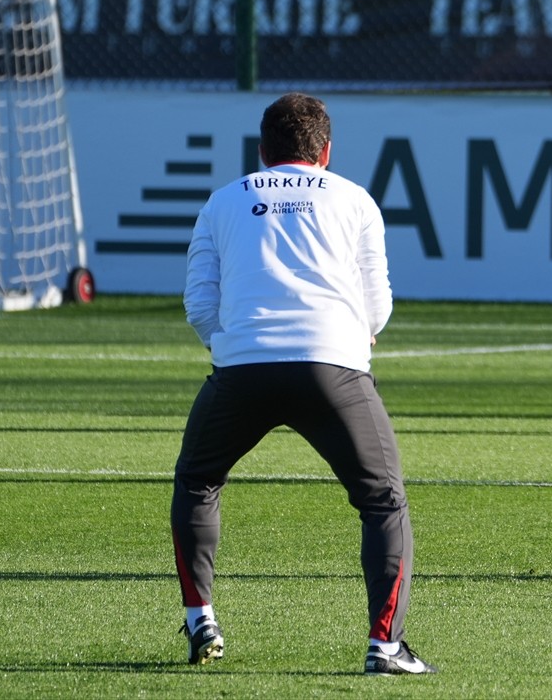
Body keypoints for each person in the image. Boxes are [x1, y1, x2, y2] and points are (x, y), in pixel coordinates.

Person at [171, 92, 436, 676]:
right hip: (333, 366)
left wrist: (232, 346)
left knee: (196, 481)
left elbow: (199, 303)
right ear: (327, 153)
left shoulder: (223, 201)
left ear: (262, 152)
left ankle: (200, 619)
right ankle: (385, 647)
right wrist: (355, 336)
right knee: (383, 502)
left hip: (241, 368)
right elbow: (378, 301)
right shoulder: (355, 199)